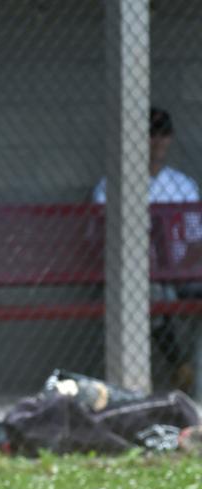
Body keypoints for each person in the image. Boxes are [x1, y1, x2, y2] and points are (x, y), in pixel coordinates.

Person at [92, 107, 201, 392]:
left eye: (164, 132)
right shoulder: (113, 184)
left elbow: (196, 241)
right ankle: (180, 365)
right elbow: (101, 241)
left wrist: (180, 267)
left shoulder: (182, 185)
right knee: (152, 293)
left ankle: (194, 376)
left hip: (182, 274)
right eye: (151, 133)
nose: (158, 140)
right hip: (139, 276)